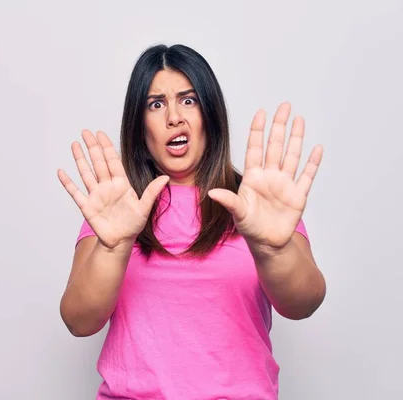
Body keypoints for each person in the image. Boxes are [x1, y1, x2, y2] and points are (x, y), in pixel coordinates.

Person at [56, 43, 326, 400]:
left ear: (210, 114)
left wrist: (272, 249)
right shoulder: (117, 210)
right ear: (139, 127)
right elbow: (79, 321)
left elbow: (304, 303)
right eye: (156, 104)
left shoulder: (257, 203)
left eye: (189, 100)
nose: (174, 117)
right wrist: (115, 247)